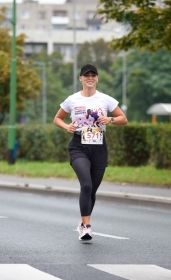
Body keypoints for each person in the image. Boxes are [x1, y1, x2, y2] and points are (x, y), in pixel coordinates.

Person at [54, 64, 128, 241]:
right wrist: (67, 126)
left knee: (92, 189)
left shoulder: (105, 99)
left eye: (93, 75)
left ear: (97, 78)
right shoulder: (72, 99)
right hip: (78, 145)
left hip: (99, 145)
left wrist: (109, 119)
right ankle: (86, 227)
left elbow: (123, 119)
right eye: (86, 75)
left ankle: (82, 222)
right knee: (86, 184)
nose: (90, 78)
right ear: (80, 78)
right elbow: (57, 118)